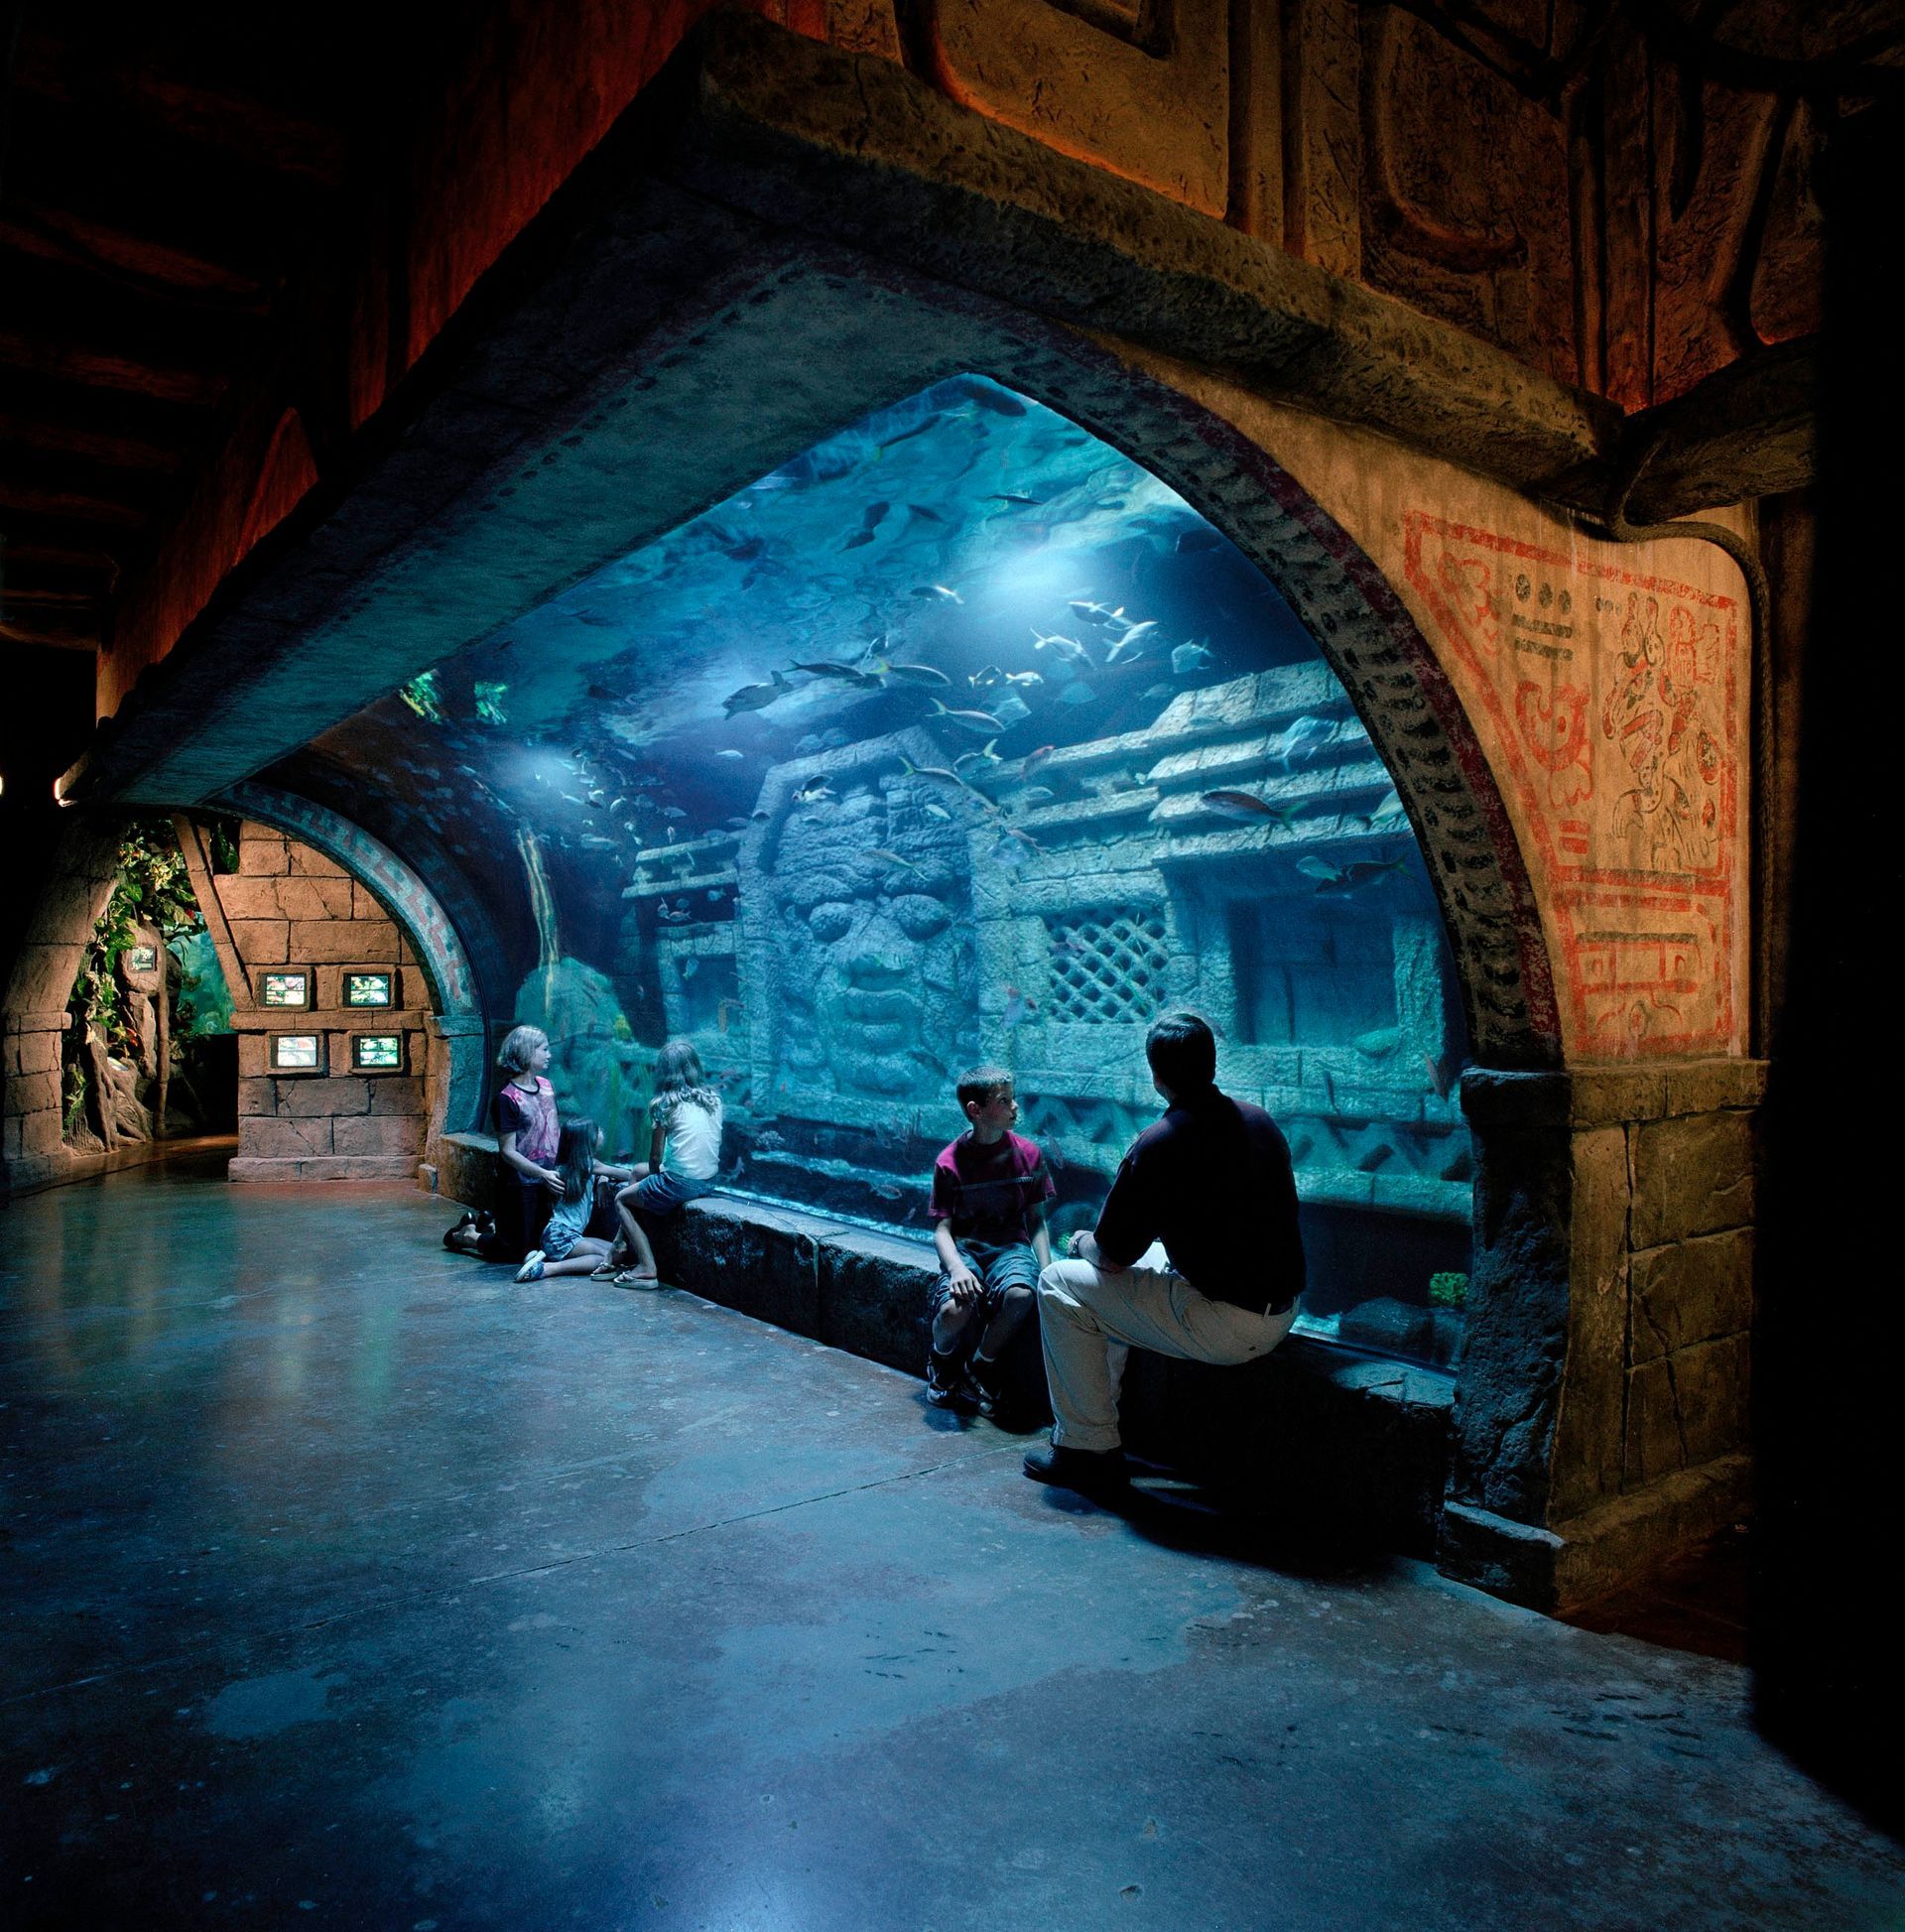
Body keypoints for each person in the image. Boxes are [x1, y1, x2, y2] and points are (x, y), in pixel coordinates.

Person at [1023, 1011, 1305, 1494]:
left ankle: (1087, 1449)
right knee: (1137, 1265)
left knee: (1058, 1283)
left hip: (1224, 1324)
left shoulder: (1157, 1144)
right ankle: (1101, 1423)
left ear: (1156, 1077)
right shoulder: (1258, 1121)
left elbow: (1110, 1256)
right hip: (1282, 1310)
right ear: (1213, 1064)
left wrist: (1079, 1241)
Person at [925, 1066, 1055, 1418]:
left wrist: (1048, 1272)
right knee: (956, 1309)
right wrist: (956, 1269)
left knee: (1021, 1295)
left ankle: (980, 1365)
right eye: (1004, 1100)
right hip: (965, 1249)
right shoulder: (949, 1162)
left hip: (1011, 1248)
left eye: (1013, 1098)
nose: (1015, 1107)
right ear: (975, 1110)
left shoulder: (1030, 1155)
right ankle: (941, 1360)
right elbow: (941, 1229)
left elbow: (1036, 1221)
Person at [608, 1038, 723, 1283]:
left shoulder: (664, 1105)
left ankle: (646, 1265)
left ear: (664, 1072)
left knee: (621, 1199)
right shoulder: (713, 1099)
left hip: (680, 1183)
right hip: (708, 1180)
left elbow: (655, 1158)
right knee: (635, 1172)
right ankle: (621, 1243)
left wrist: (657, 1177)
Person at [444, 1025, 563, 1263]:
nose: (549, 1054)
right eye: (544, 1049)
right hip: (519, 1183)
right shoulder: (506, 1099)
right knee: (514, 1253)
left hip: (545, 1179)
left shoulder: (546, 1086)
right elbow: (508, 1152)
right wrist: (542, 1173)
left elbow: (553, 1129)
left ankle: (492, 1226)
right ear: (526, 1052)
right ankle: (467, 1235)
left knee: (538, 1244)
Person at [514, 1117, 637, 1281]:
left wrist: (602, 1178)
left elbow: (603, 1171)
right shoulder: (589, 1164)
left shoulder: (568, 1166)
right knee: (609, 1257)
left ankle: (545, 1257)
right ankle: (547, 1268)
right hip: (563, 1236)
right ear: (586, 1141)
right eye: (597, 1131)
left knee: (616, 1250)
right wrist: (606, 1176)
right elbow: (627, 1174)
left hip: (558, 1235)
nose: (601, 1132)